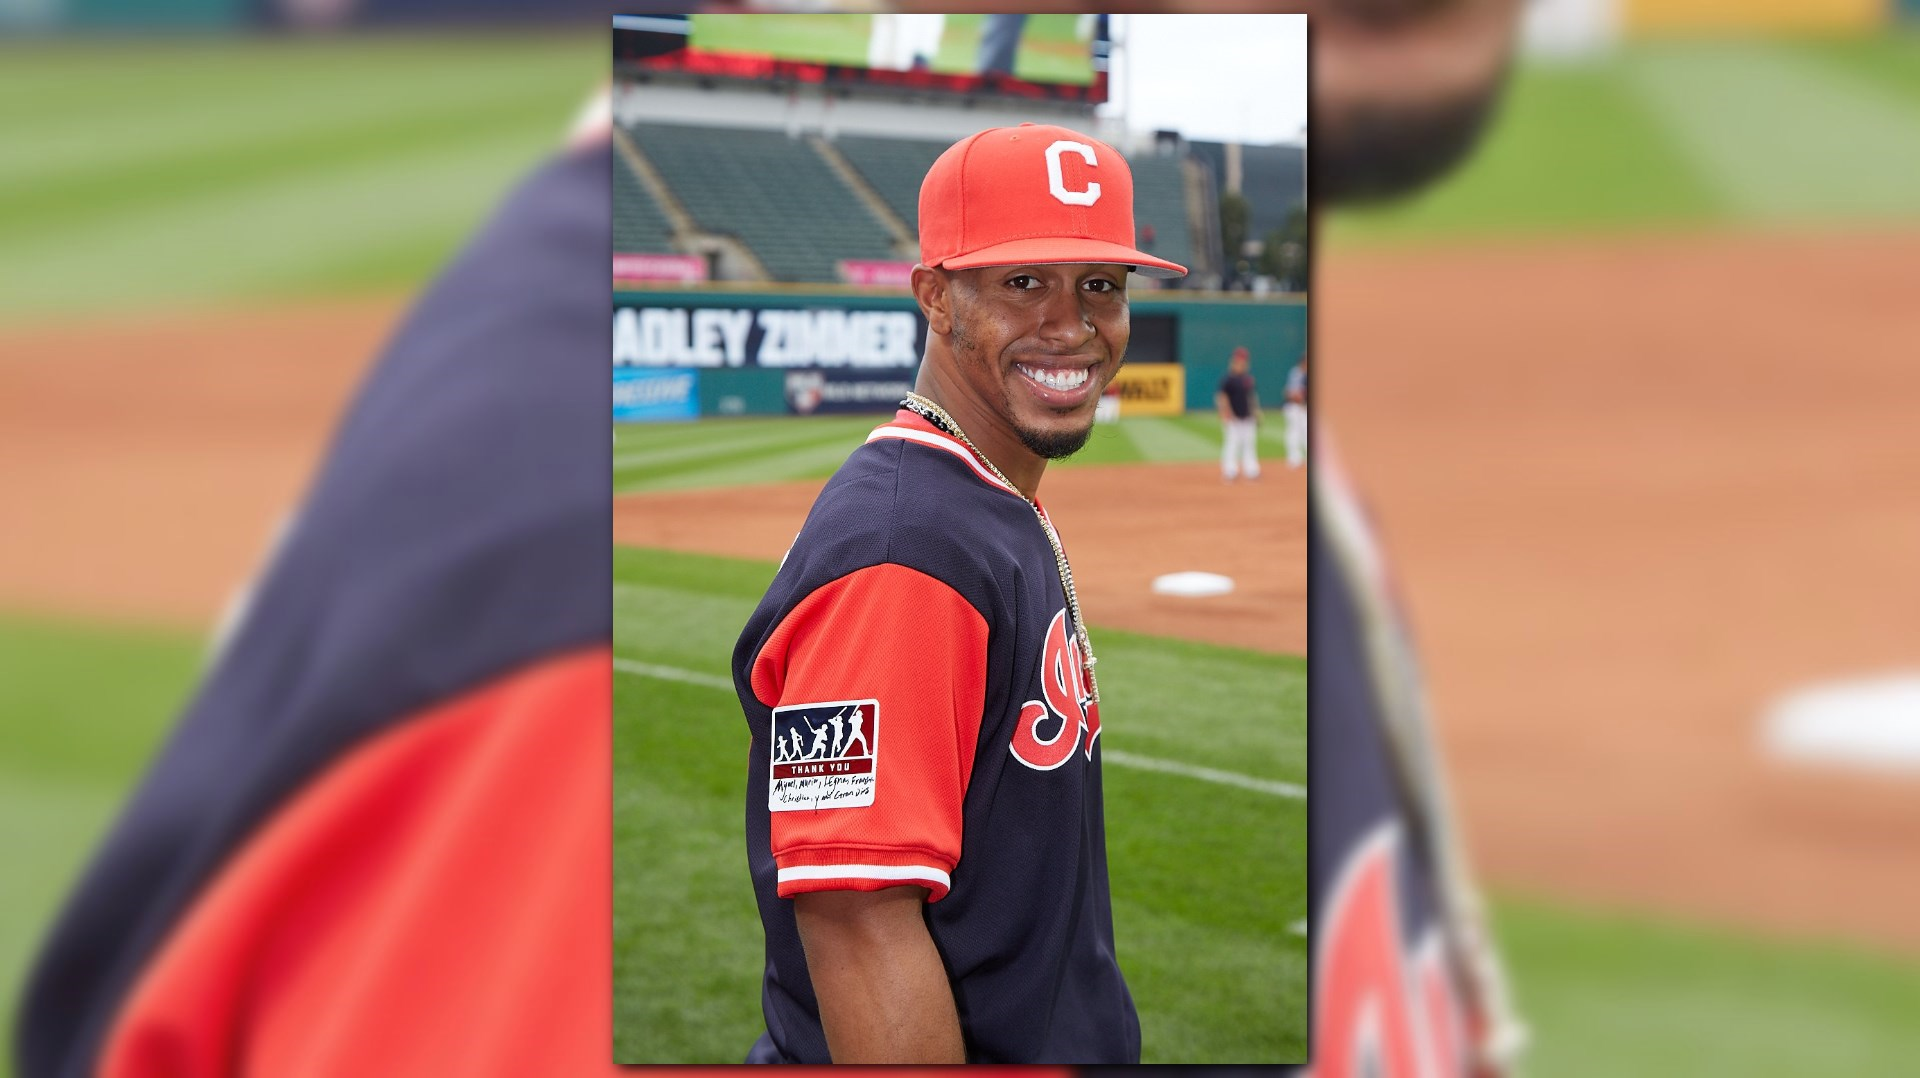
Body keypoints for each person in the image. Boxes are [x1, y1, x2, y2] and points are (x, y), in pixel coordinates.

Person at [732, 122, 1185, 1065]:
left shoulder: (978, 501)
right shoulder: (907, 549)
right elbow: (859, 925)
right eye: (1023, 282)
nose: (1072, 324)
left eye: (1098, 284)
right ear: (936, 297)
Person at [1217, 345, 1261, 481]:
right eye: (1239, 360)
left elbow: (1252, 397)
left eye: (1244, 360)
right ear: (1234, 362)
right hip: (1234, 418)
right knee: (1232, 443)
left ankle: (1251, 469)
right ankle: (1230, 470)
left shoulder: (1248, 379)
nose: (1242, 363)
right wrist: (1225, 412)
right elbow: (1222, 397)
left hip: (1248, 417)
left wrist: (1256, 411)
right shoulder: (1228, 379)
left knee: (1249, 443)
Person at [1285, 355, 1308, 468]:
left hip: (1302, 407)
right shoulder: (1296, 373)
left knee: (1305, 432)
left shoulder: (1304, 374)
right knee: (1294, 431)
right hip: (1294, 407)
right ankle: (1294, 458)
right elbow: (1291, 392)